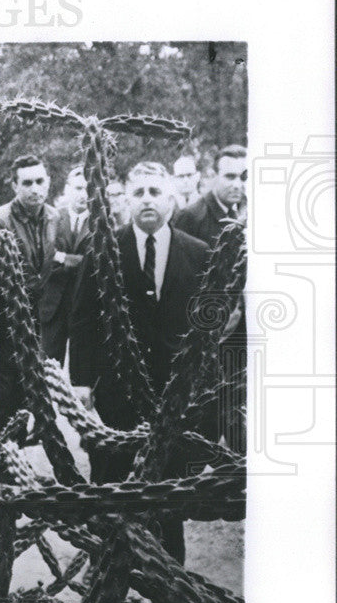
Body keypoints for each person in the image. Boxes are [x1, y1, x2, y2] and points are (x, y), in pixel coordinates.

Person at [68, 161, 210, 562]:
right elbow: (82, 319)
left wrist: (198, 387)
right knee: (113, 472)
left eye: (155, 192)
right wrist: (82, 381)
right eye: (139, 193)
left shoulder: (198, 255)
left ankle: (168, 571)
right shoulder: (104, 251)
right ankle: (110, 563)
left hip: (173, 390)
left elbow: (205, 328)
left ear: (171, 198)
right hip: (118, 386)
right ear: (126, 199)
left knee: (167, 480)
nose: (147, 200)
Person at [0, 154, 58, 460]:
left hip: (28, 320)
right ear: (14, 185)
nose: (35, 188)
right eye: (27, 183)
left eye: (40, 181)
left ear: (48, 182)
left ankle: (16, 466)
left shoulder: (53, 217)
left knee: (23, 393)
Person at [173, 145, 248, 454]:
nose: (237, 184)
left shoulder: (250, 212)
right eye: (229, 176)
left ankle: (239, 487)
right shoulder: (193, 217)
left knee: (238, 412)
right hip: (205, 336)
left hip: (242, 332)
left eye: (244, 177)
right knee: (205, 420)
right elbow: (178, 280)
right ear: (212, 177)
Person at [40, 166, 91, 363]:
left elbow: (94, 261)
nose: (83, 195)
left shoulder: (100, 221)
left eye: (88, 189)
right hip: (53, 303)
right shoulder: (51, 218)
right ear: (67, 189)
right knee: (48, 366)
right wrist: (70, 259)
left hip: (85, 302)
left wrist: (60, 257)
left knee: (83, 365)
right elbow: (44, 256)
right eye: (78, 188)